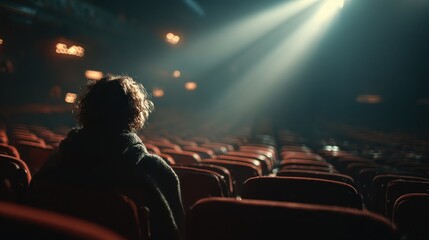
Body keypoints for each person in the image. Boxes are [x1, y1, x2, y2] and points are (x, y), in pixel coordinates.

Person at [29, 74, 185, 240]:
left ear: (86, 110)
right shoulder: (154, 171)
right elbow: (173, 233)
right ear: (133, 113)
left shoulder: (54, 163)